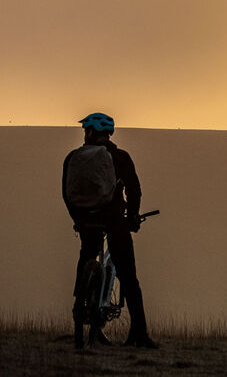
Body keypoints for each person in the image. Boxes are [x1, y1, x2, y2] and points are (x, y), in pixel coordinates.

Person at [64, 112, 157, 349]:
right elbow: (134, 190)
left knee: (87, 254)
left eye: (86, 130)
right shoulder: (120, 157)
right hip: (115, 220)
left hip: (86, 220)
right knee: (128, 276)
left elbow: (66, 193)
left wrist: (77, 218)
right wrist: (133, 217)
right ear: (109, 133)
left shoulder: (73, 157)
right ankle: (141, 335)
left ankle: (80, 304)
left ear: (91, 132)